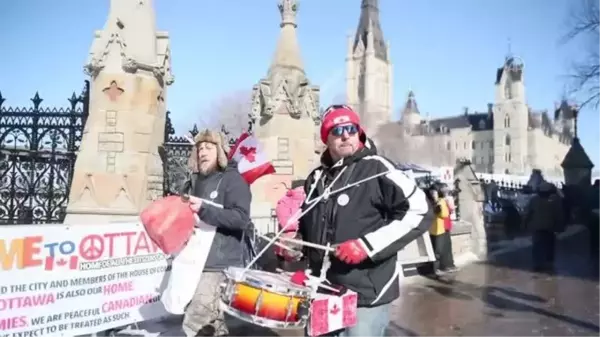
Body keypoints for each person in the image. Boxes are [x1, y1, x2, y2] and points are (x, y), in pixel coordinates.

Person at [294, 105, 431, 337]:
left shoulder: (378, 168)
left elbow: (420, 211)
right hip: (323, 288)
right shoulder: (315, 179)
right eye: (337, 130)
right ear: (326, 138)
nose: (345, 134)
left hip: (366, 292)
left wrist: (366, 246)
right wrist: (297, 244)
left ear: (359, 132)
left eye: (351, 128)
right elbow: (309, 225)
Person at [182, 129, 272, 337]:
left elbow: (240, 218)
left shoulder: (233, 180)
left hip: (219, 263)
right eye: (199, 148)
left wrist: (204, 210)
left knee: (196, 320)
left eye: (209, 147)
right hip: (194, 260)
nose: (202, 152)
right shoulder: (194, 181)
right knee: (214, 325)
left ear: (220, 151)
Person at [524, 181, 564, 272]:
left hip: (537, 227)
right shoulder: (555, 201)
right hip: (550, 227)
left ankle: (537, 263)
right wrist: (560, 227)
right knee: (549, 245)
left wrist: (525, 224)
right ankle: (548, 263)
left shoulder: (534, 200)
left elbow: (528, 213)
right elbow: (559, 215)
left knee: (537, 245)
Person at [427, 186, 456, 274]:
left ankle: (440, 268)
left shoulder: (440, 201)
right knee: (436, 250)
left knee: (439, 250)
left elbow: (444, 214)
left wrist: (437, 204)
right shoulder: (428, 202)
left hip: (439, 229)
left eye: (434, 193)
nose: (433, 195)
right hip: (433, 229)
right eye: (431, 193)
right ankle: (436, 269)